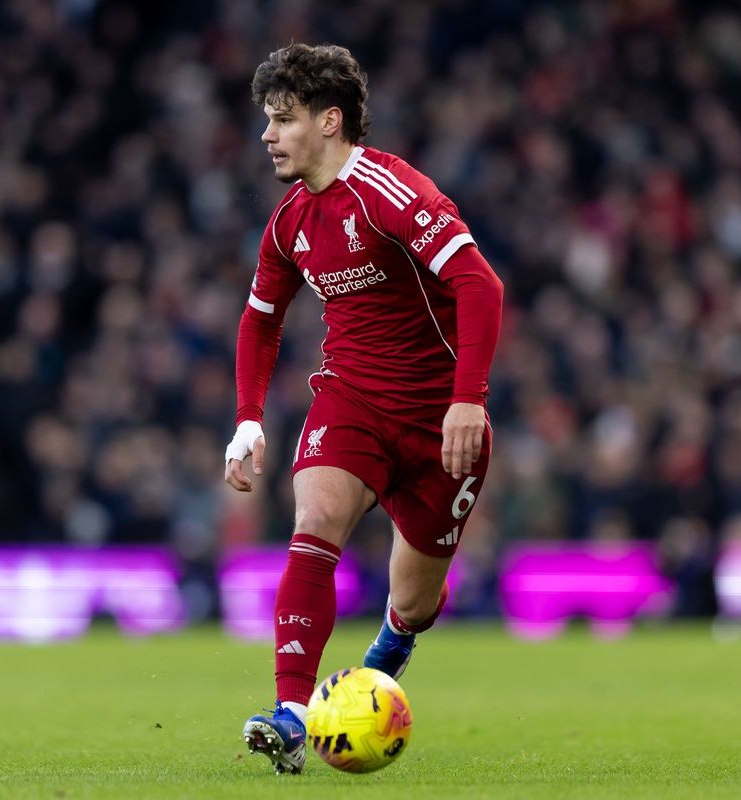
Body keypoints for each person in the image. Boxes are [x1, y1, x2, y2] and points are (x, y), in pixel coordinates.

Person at [224, 43, 504, 774]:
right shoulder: (289, 222)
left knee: (414, 601)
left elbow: (481, 286)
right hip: (350, 400)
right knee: (313, 523)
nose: (269, 134)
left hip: (439, 421)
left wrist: (467, 402)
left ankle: (387, 653)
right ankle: (289, 713)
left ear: (329, 120)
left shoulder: (391, 191)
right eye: (267, 120)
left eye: (282, 120)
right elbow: (260, 318)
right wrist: (249, 415)